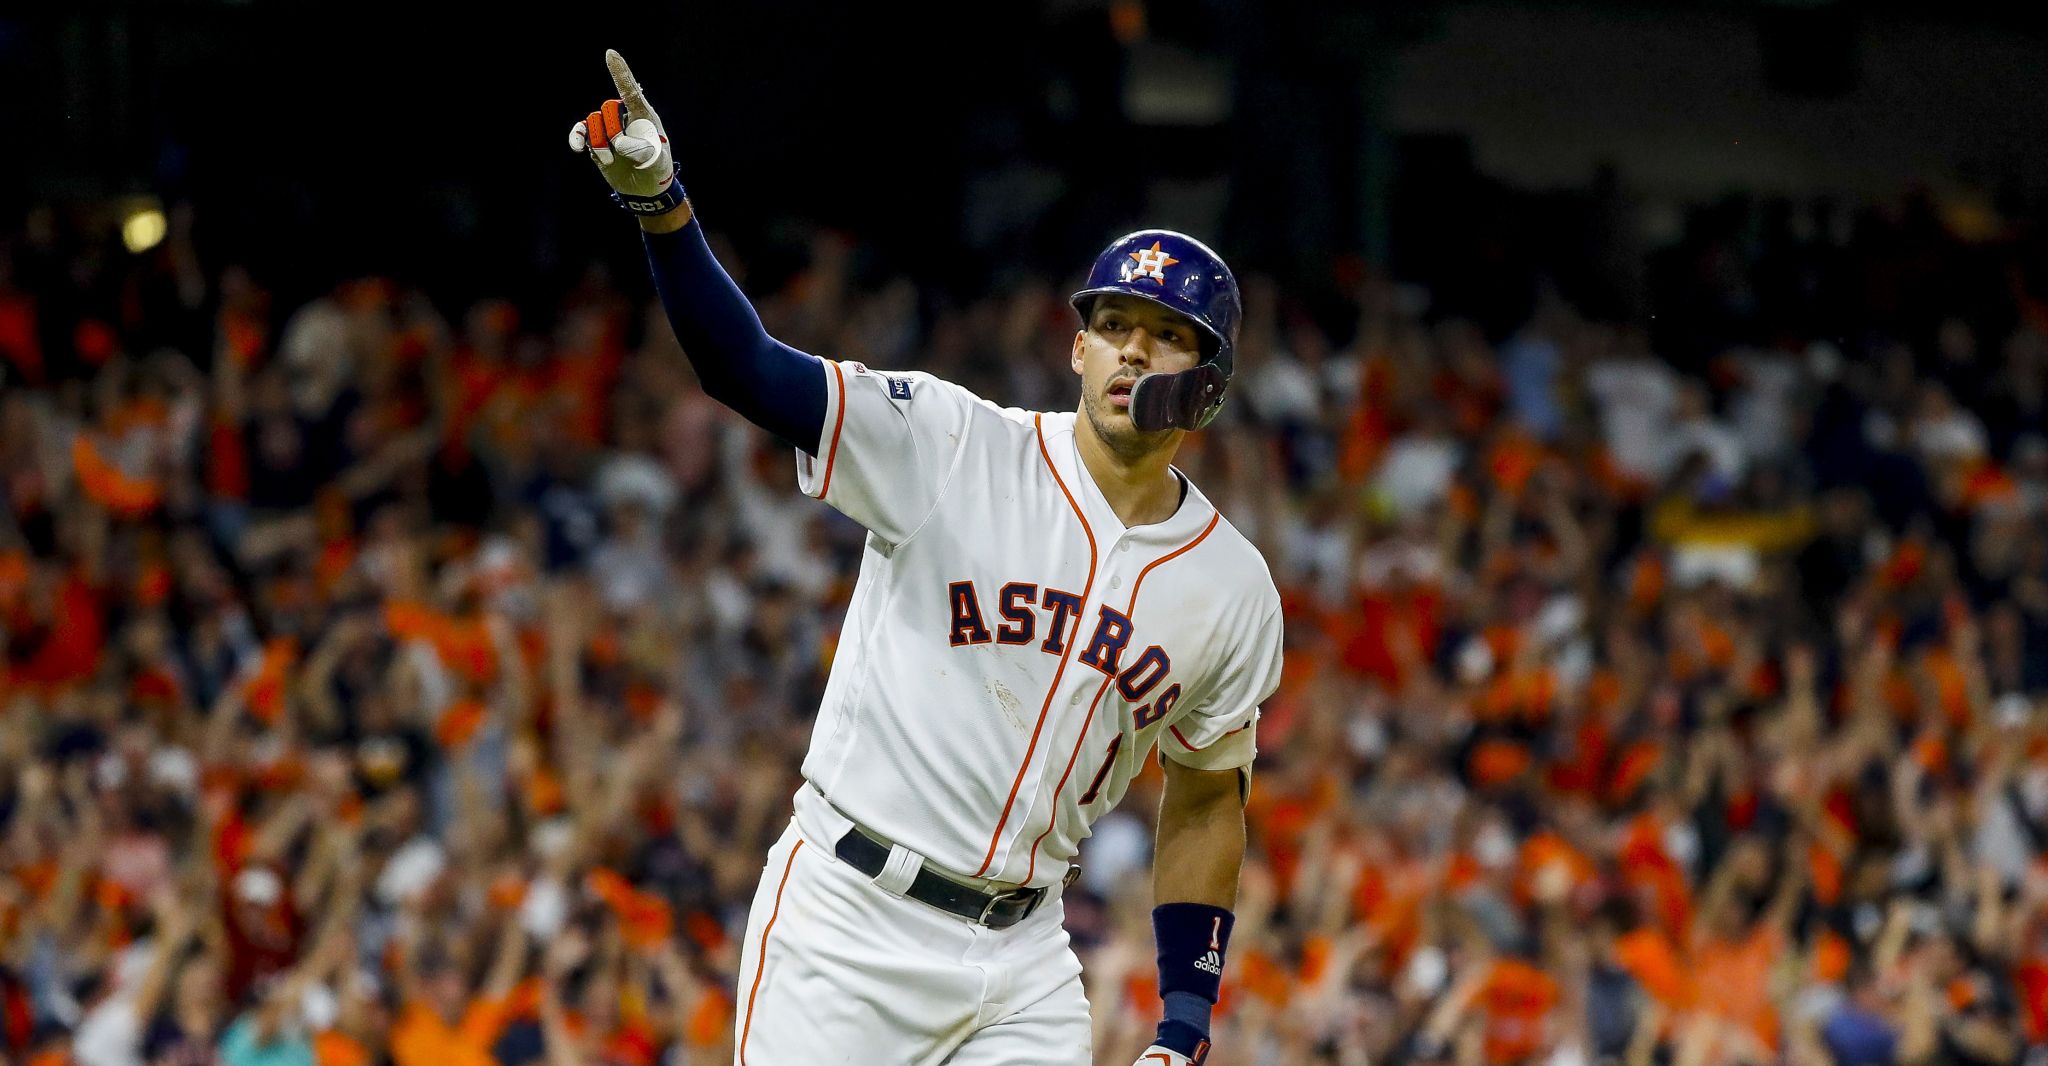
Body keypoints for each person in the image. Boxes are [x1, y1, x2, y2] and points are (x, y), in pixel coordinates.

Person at [568, 51, 1285, 1066]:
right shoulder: (952, 443)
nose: (1130, 350)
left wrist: (1182, 1021)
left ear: (1206, 384)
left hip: (1024, 957)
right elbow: (745, 369)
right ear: (1074, 348)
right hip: (848, 925)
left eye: (1166, 337)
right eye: (1112, 324)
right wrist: (662, 206)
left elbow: (1208, 794)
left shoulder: (1231, 589)